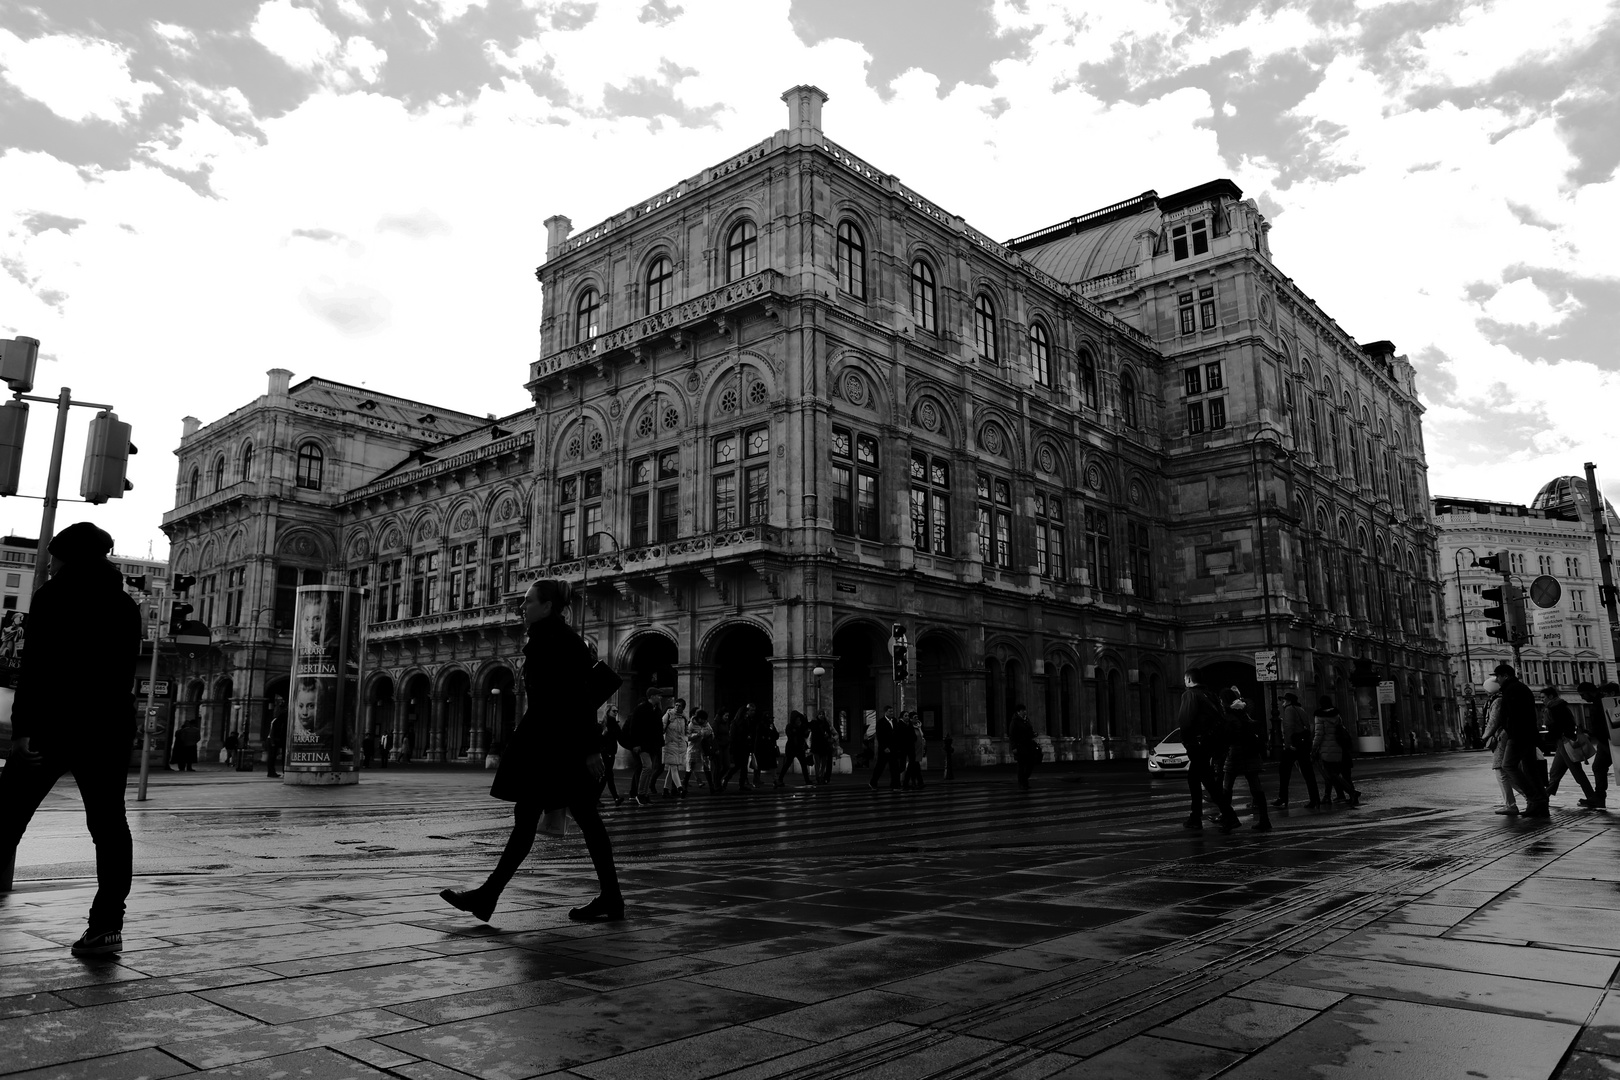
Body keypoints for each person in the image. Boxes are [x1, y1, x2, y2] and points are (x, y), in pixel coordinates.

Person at [440, 578, 623, 924]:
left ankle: (487, 896)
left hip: (556, 749)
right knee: (570, 820)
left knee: (546, 820)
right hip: (551, 746)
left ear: (548, 606)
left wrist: (589, 750)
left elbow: (580, 701)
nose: (522, 607)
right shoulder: (548, 640)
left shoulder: (562, 643)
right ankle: (609, 897)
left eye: (528, 602)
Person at [0, 522, 142, 957]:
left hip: (53, 727)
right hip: (107, 729)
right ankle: (106, 926)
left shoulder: (52, 597)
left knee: (6, 816)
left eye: (55, 555)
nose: (50, 563)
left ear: (67, 556)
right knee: (109, 827)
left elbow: (37, 668)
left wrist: (21, 729)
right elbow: (123, 674)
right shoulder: (125, 606)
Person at [1175, 668, 1237, 832]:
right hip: (1211, 743)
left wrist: (1186, 742)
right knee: (1194, 779)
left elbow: (1185, 721)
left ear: (1188, 680)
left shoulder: (1190, 695)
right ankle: (1195, 816)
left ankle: (1228, 815)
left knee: (1208, 781)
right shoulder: (1210, 695)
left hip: (1198, 744)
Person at [1495, 663, 1548, 818]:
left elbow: (1515, 715)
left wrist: (1511, 731)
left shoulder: (1512, 690)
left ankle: (1535, 798)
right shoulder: (1518, 688)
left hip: (1519, 735)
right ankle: (1540, 803)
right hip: (1525, 734)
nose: (1497, 680)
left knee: (1508, 765)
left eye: (1498, 676)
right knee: (1530, 769)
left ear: (1505, 675)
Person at [1221, 689, 1271, 831]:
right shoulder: (1244, 712)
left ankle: (1228, 820)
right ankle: (1264, 819)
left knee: (1226, 789)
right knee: (1256, 788)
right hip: (1251, 755)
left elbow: (1227, 737)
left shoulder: (1229, 716)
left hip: (1235, 755)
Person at [1544, 686, 1597, 807]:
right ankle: (1545, 795)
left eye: (1543, 697)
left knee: (1576, 772)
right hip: (1563, 742)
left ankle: (1592, 797)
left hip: (1565, 742)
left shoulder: (1554, 708)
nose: (1542, 700)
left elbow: (1556, 727)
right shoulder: (1561, 706)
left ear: (1551, 696)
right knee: (1555, 771)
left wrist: (1551, 735)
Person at [1272, 693, 1319, 809]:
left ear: (1288, 701)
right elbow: (1307, 726)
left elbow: (1289, 727)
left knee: (1284, 771)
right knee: (1308, 773)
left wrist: (1289, 744)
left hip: (1294, 745)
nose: (1282, 703)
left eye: (1283, 701)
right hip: (1303, 745)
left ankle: (1283, 797)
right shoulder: (1300, 709)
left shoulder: (1289, 710)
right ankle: (1315, 798)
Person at [1480, 676, 1519, 815]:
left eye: (1486, 689)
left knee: (1501, 770)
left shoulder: (1497, 701)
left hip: (1501, 737)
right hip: (1503, 736)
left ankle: (1511, 804)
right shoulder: (1500, 699)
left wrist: (1484, 737)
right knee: (1507, 771)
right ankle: (1530, 797)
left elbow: (1493, 721)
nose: (1485, 692)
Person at [1312, 696, 1357, 807]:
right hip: (1338, 747)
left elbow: (1319, 734)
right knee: (1333, 773)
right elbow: (1341, 729)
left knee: (1330, 774)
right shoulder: (1336, 715)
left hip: (1325, 748)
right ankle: (1328, 796)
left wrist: (1313, 748)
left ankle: (1352, 792)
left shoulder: (1319, 716)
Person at [1577, 682, 1613, 808]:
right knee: (1598, 767)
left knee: (1599, 767)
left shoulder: (1600, 703)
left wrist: (1592, 733)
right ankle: (1599, 797)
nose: (1582, 698)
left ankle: (1599, 798)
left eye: (1583, 694)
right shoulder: (1600, 702)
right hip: (1606, 741)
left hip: (1608, 741)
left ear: (1589, 692)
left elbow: (1602, 724)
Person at [626, 686, 663, 806]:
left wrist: (660, 743)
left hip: (653, 745)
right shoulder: (641, 709)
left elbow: (658, 728)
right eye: (658, 695)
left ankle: (645, 794)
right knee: (647, 767)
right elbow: (634, 728)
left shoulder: (657, 710)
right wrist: (635, 744)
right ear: (652, 696)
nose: (660, 697)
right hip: (642, 744)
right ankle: (640, 794)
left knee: (650, 769)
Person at [722, 704, 756, 792]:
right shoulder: (735, 722)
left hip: (745, 747)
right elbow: (733, 736)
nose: (749, 713)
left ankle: (741, 784)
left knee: (744, 766)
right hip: (738, 747)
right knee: (737, 766)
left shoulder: (748, 721)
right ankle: (726, 779)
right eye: (748, 712)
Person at [776, 710, 813, 787]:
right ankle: (780, 779)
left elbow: (804, 735)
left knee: (803, 764)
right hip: (791, 748)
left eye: (799, 720)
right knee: (787, 764)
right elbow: (790, 735)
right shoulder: (789, 726)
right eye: (797, 720)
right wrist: (798, 730)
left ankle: (807, 780)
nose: (798, 721)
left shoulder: (800, 726)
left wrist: (804, 727)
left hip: (799, 748)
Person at [868, 706, 902, 790]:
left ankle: (895, 785)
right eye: (890, 711)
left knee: (895, 767)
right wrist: (884, 747)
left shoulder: (894, 721)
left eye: (892, 711)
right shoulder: (881, 722)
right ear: (885, 712)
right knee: (880, 767)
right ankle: (873, 782)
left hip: (893, 748)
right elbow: (880, 736)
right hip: (884, 749)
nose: (892, 713)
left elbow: (896, 733)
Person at [659, 697, 687, 797]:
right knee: (674, 768)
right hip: (669, 744)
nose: (677, 707)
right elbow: (661, 727)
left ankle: (665, 789)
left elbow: (685, 732)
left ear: (683, 708)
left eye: (679, 706)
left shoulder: (683, 717)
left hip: (680, 745)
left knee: (672, 769)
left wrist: (686, 741)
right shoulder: (668, 715)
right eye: (676, 705)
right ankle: (680, 789)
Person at [598, 705, 625, 805]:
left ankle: (613, 798)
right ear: (608, 711)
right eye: (614, 711)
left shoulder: (605, 723)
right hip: (607, 753)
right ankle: (615, 798)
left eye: (617, 711)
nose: (616, 712)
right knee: (608, 776)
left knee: (607, 776)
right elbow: (620, 737)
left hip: (608, 752)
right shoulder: (610, 723)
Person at [1009, 704, 1039, 790]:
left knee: (1030, 764)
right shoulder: (1014, 721)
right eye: (1023, 710)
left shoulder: (1026, 720)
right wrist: (1014, 747)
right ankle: (1022, 782)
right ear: (1018, 712)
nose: (1025, 712)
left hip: (1029, 745)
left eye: (1025, 710)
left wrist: (1033, 734)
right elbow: (1012, 735)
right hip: (1020, 746)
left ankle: (1024, 780)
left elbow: (1029, 730)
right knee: (1021, 765)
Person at [687, 709, 715, 793]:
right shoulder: (691, 724)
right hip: (694, 748)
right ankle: (684, 786)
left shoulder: (706, 724)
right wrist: (697, 734)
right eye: (701, 719)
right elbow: (688, 737)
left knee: (707, 768)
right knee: (690, 768)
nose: (702, 721)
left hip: (703, 749)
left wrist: (707, 734)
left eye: (704, 719)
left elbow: (711, 733)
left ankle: (711, 787)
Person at [810, 711, 835, 784]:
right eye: (820, 714)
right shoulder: (814, 723)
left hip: (824, 746)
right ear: (817, 715)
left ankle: (821, 776)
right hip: (817, 746)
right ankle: (818, 777)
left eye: (822, 714)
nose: (821, 716)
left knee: (823, 763)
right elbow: (813, 735)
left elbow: (830, 733)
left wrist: (828, 736)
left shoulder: (826, 723)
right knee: (817, 763)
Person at [266, 707, 286, 778]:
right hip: (272, 740)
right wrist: (272, 742)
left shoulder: (275, 720)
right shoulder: (275, 721)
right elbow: (272, 732)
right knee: (271, 757)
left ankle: (271, 772)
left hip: (272, 740)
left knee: (272, 757)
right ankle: (271, 772)